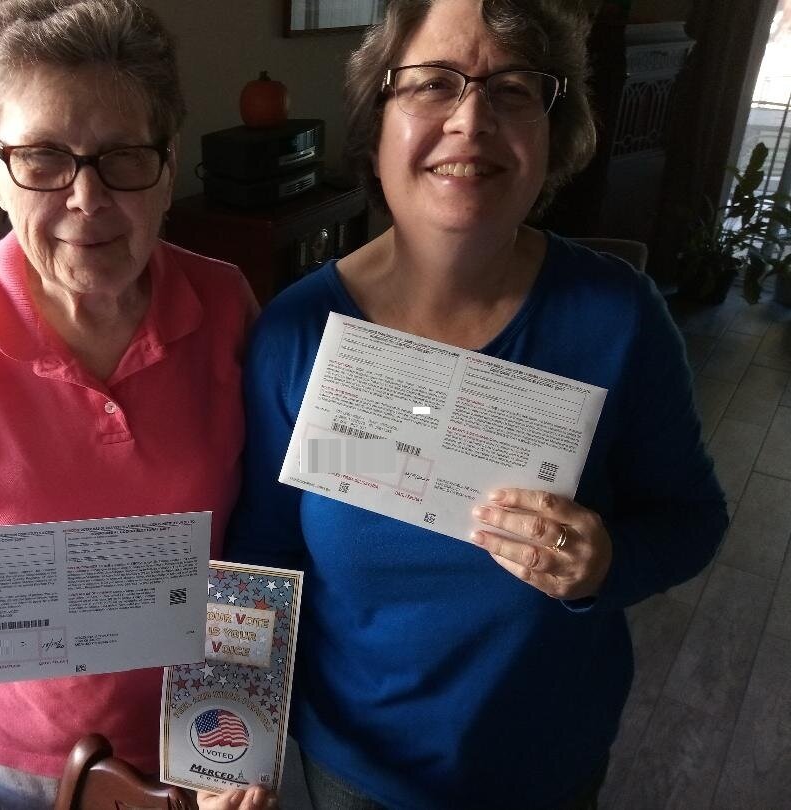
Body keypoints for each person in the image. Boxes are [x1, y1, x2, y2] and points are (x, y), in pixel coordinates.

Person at [225, 1, 728, 808]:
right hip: (356, 770)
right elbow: (259, 557)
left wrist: (608, 562)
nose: (472, 119)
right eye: (431, 84)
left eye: (513, 88)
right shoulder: (296, 333)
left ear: (552, 133)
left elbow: (694, 518)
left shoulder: (618, 317)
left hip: (547, 767)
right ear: (377, 122)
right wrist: (227, 746)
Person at [0, 2, 270, 808]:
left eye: (123, 157)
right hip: (28, 751)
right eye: (42, 157)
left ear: (169, 165)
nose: (86, 198)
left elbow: (260, 532)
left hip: (205, 731)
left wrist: (242, 725)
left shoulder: (227, 302)